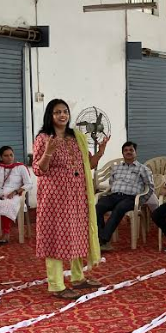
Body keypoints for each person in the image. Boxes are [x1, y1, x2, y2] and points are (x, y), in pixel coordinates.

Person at [33, 98, 106, 300]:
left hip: (77, 197)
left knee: (77, 234)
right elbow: (38, 169)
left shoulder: (76, 137)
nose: (62, 115)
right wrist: (48, 152)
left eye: (65, 111)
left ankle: (77, 277)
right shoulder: (43, 138)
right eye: (57, 112)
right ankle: (56, 285)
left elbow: (88, 165)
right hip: (55, 198)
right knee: (56, 238)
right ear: (50, 115)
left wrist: (100, 153)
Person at [96, 141, 156, 252]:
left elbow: (150, 187)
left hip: (130, 198)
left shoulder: (143, 169)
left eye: (131, 150)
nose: (128, 152)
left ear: (135, 152)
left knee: (120, 208)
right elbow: (112, 183)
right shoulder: (116, 168)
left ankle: (103, 241)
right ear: (122, 153)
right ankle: (102, 239)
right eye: (126, 150)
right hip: (114, 196)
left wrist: (140, 201)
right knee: (98, 207)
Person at [0, 146, 33, 246]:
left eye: (11, 155)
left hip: (14, 195)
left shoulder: (20, 167)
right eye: (6, 156)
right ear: (1, 157)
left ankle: (6, 234)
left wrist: (16, 191)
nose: (9, 158)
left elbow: (29, 184)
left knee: (7, 204)